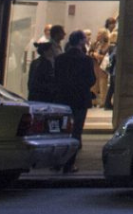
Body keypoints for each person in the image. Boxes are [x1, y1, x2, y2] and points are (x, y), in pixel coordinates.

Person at [54, 31, 97, 173]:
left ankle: (57, 161)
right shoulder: (86, 60)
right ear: (80, 41)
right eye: (84, 39)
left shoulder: (60, 59)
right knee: (76, 131)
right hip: (80, 99)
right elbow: (91, 80)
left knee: (62, 131)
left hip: (63, 98)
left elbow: (56, 78)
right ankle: (69, 164)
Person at [89, 29, 111, 106]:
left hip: (103, 67)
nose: (97, 35)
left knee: (103, 85)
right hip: (95, 66)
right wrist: (93, 55)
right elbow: (90, 52)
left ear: (103, 35)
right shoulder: (96, 44)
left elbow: (108, 57)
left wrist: (98, 56)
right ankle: (93, 101)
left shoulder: (108, 45)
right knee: (94, 84)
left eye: (99, 33)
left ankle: (103, 101)